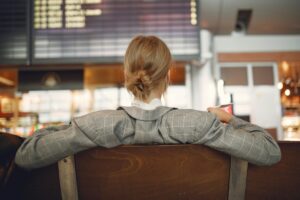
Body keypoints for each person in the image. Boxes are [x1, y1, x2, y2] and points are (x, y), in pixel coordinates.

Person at [15, 35, 281, 169]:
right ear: (167, 76)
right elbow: (270, 152)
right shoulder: (199, 124)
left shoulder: (95, 125)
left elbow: (26, 155)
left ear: (126, 75)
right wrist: (229, 119)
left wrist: (68, 126)